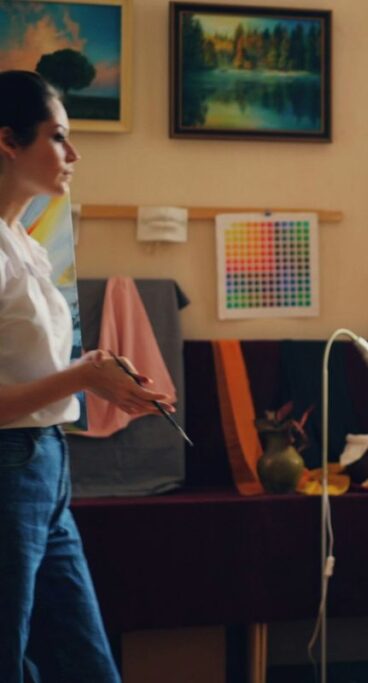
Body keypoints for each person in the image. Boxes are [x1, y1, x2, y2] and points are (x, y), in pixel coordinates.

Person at [0, 70, 172, 683]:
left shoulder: (28, 244)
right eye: (58, 137)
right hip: (10, 466)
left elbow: (41, 371)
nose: (73, 155)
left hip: (49, 465)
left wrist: (98, 374)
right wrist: (82, 378)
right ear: (7, 142)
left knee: (88, 665)